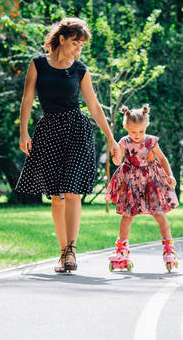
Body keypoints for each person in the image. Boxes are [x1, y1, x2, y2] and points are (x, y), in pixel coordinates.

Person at [15, 17, 121, 273]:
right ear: (61, 39)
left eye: (81, 45)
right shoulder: (38, 64)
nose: (78, 49)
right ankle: (63, 253)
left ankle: (71, 251)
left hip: (77, 130)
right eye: (75, 43)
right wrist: (23, 132)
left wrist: (111, 138)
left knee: (72, 192)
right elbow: (27, 99)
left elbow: (94, 106)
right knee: (56, 198)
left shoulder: (80, 70)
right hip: (49, 131)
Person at [105, 104, 180, 272]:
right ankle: (121, 249)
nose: (137, 136)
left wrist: (170, 175)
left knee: (159, 214)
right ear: (126, 127)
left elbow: (162, 158)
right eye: (133, 132)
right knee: (127, 216)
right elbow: (118, 160)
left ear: (146, 126)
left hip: (150, 182)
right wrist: (116, 154)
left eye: (140, 131)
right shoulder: (124, 141)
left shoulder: (150, 141)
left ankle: (169, 246)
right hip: (131, 182)